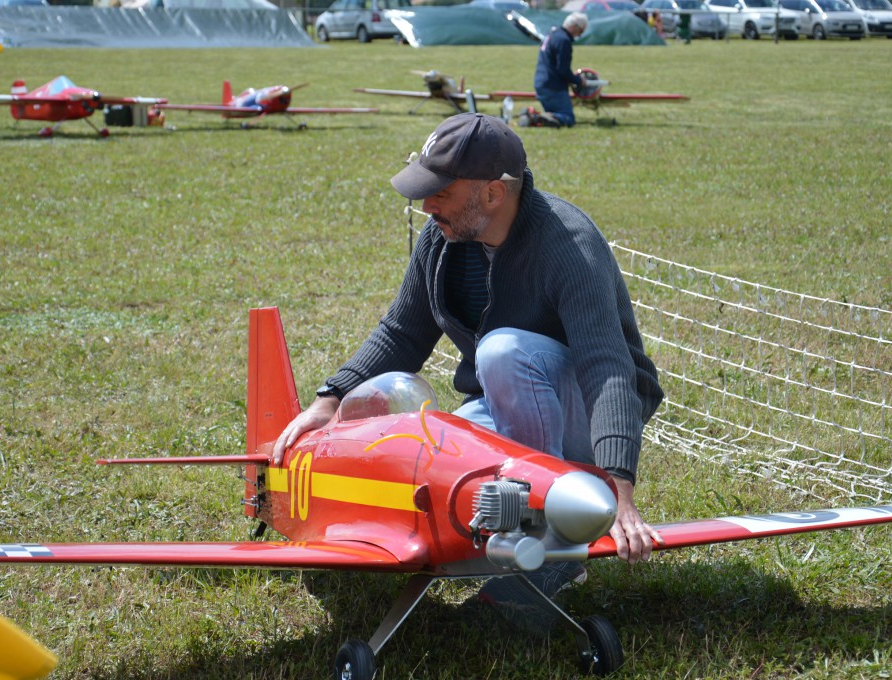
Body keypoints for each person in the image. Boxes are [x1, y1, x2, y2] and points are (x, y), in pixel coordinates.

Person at [273, 112, 665, 616]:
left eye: (442, 192)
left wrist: (616, 488)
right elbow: (403, 330)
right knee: (438, 454)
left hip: (590, 414)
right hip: (510, 396)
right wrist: (329, 400)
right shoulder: (443, 239)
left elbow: (608, 368)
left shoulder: (569, 245)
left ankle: (547, 542)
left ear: (494, 195)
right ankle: (507, 533)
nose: (426, 204)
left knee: (501, 351)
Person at [529, 12, 590, 128]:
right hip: (553, 87)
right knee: (568, 118)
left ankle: (533, 115)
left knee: (554, 115)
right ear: (574, 27)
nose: (579, 35)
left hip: (541, 83)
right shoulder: (564, 40)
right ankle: (541, 117)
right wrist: (578, 80)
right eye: (581, 31)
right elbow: (563, 69)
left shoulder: (552, 34)